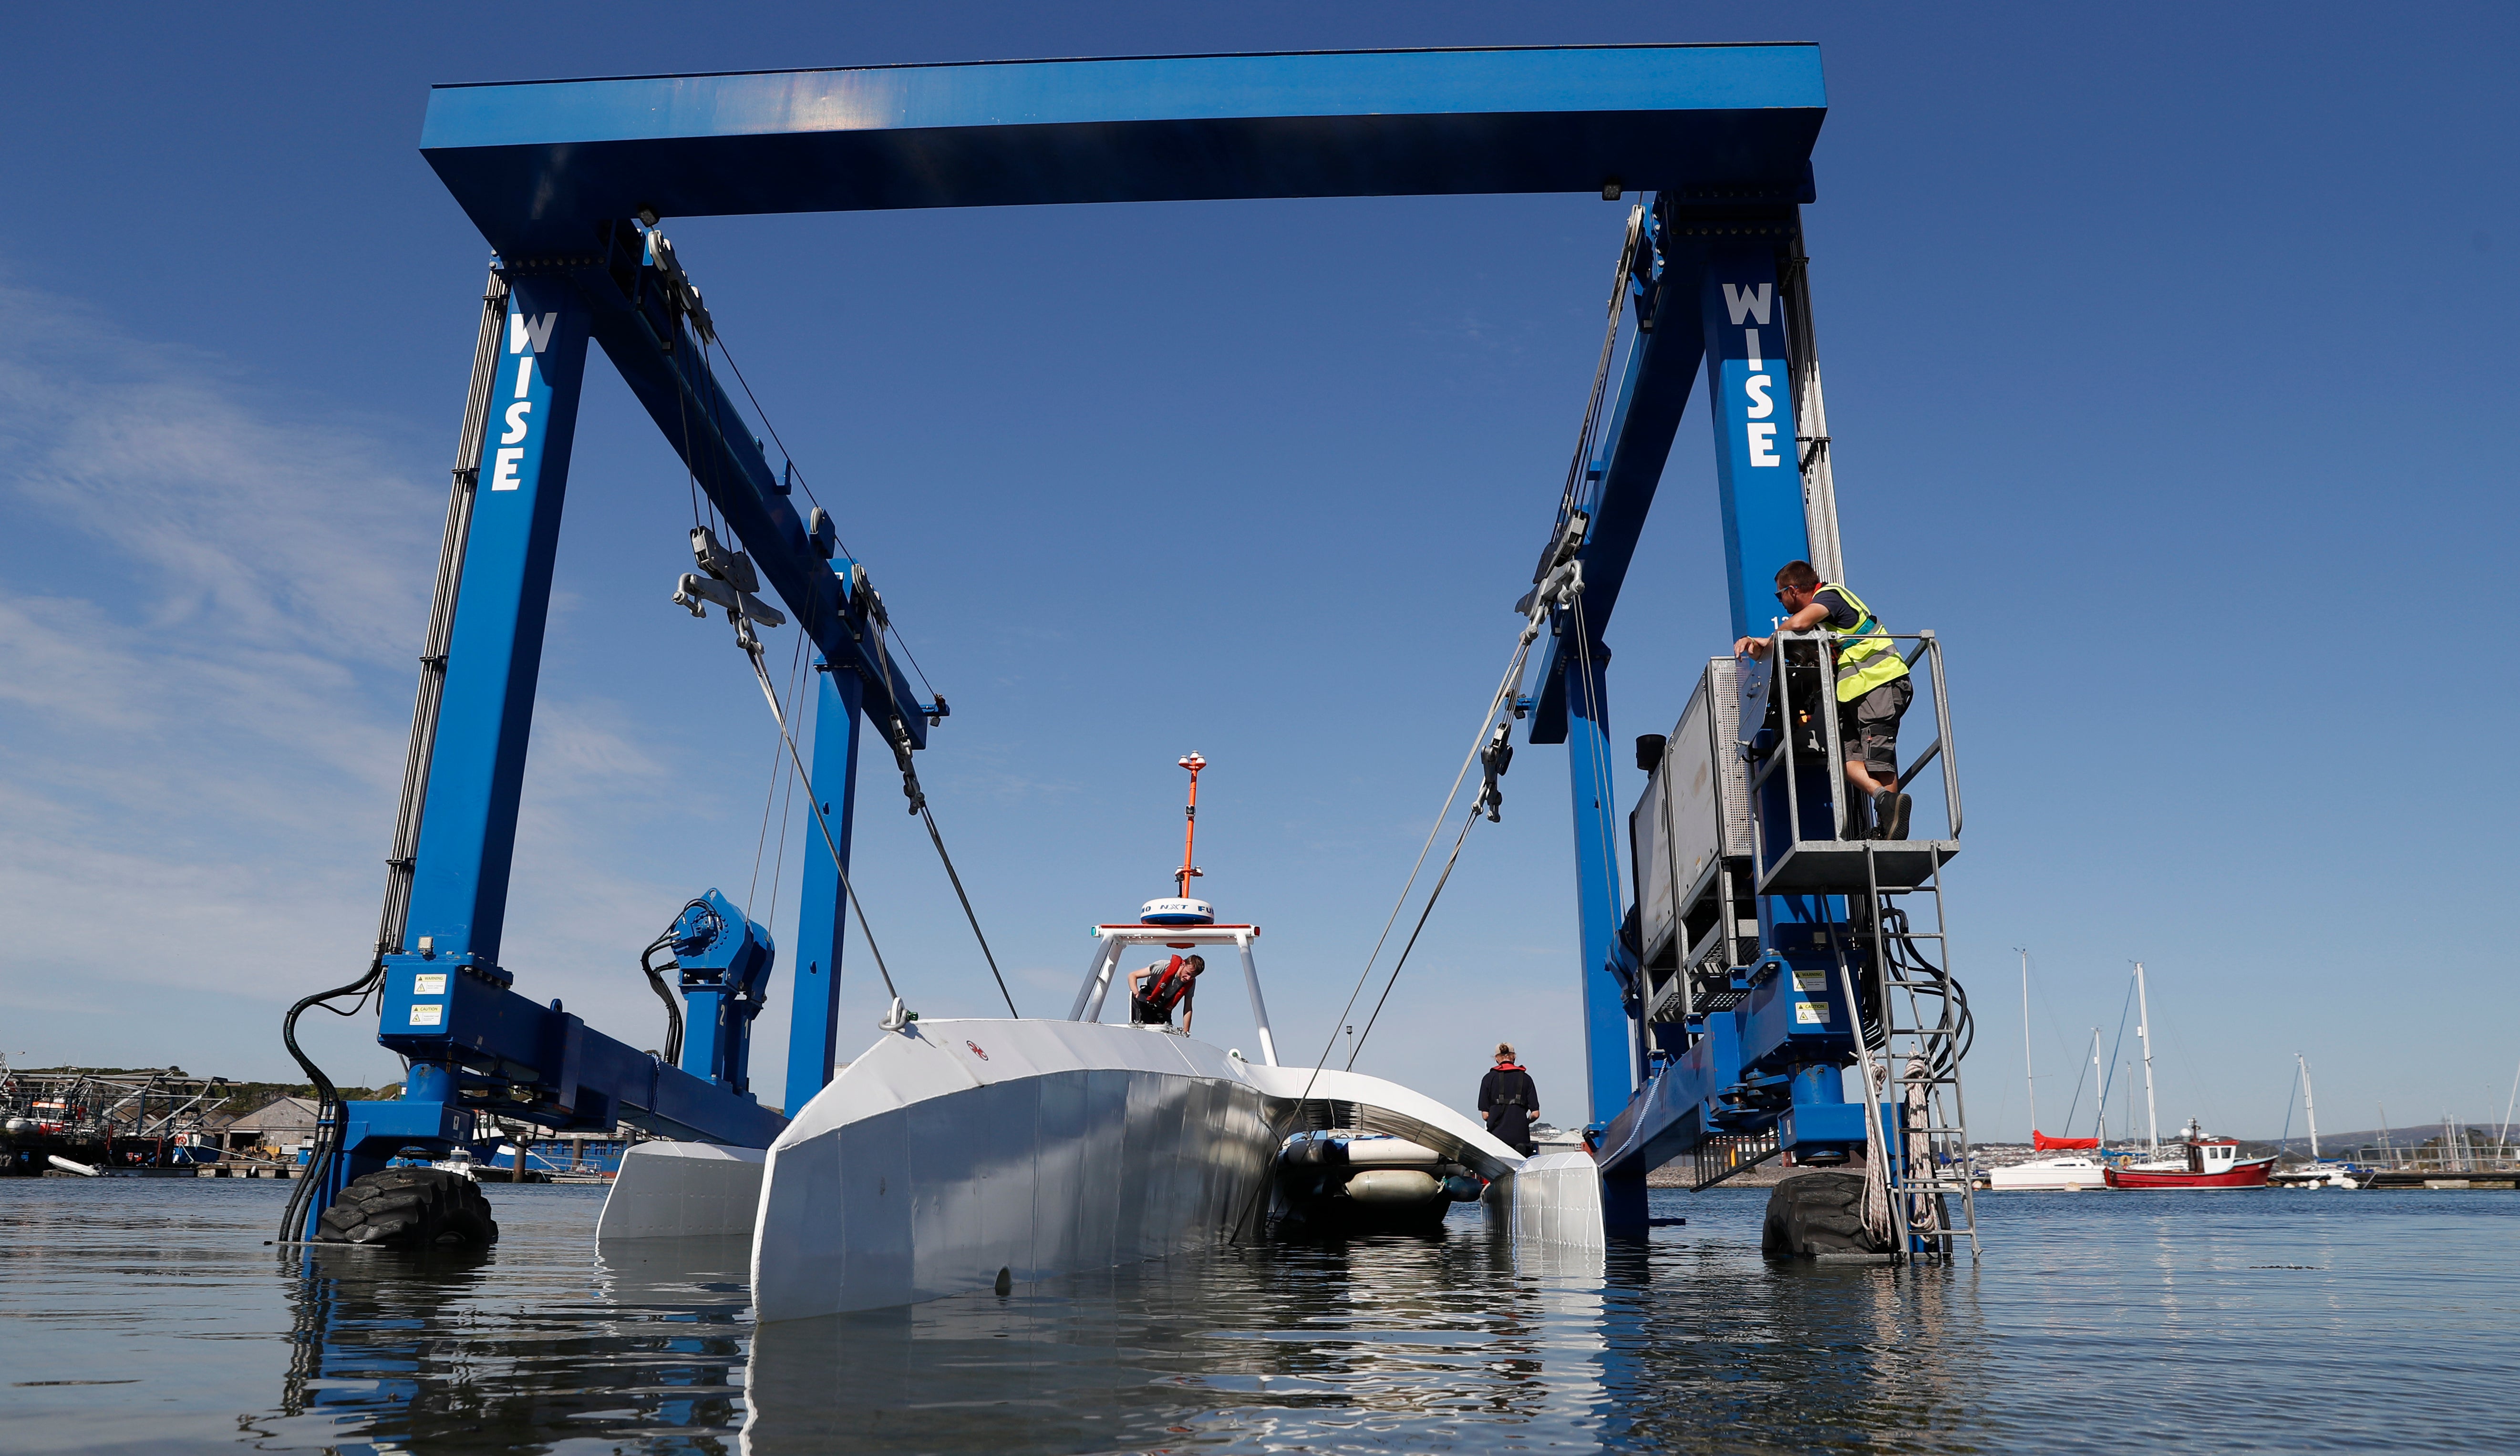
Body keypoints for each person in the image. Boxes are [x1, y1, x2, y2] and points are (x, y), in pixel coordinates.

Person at [1733, 559, 1913, 841]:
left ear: (1793, 590)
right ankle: (1883, 800)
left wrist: (1768, 641)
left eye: (1779, 594)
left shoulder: (1829, 595)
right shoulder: (1823, 622)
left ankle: (1893, 832)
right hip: (1856, 693)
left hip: (1879, 681)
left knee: (1878, 760)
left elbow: (1798, 623)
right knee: (1844, 758)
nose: (1779, 601)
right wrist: (1758, 646)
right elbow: (1791, 642)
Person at [1478, 1044, 1539, 1155]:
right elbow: (1535, 1114)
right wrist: (1526, 1122)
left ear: (1496, 1058)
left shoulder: (1488, 1079)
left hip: (1497, 1137)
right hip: (1521, 1137)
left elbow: (1485, 1116)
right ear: (1514, 1057)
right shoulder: (1526, 1079)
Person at [1129, 953, 1204, 1027]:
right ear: (1183, 964)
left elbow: (1188, 1008)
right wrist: (1136, 993)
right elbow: (1133, 976)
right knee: (1145, 1024)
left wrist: (1186, 1032)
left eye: (1193, 976)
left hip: (1162, 1007)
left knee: (1165, 1030)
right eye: (1188, 973)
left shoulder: (1191, 983)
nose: (1188, 978)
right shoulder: (1163, 966)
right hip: (1147, 998)